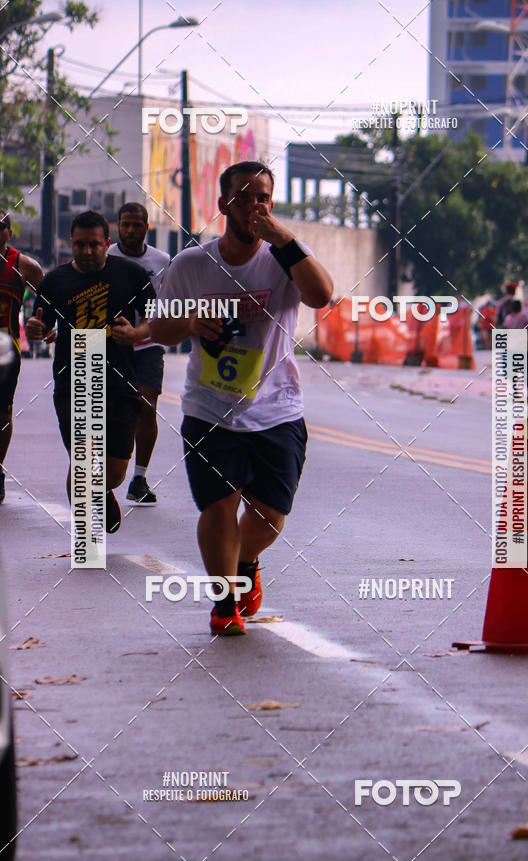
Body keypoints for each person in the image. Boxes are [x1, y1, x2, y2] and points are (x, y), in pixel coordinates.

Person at [149, 161, 333, 636]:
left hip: (277, 408)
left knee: (271, 514)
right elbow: (160, 328)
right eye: (244, 197)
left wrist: (284, 239)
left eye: (264, 198)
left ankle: (246, 561)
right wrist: (191, 323)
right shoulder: (191, 265)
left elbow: (322, 295)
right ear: (223, 204)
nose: (255, 206)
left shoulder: (285, 258)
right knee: (218, 505)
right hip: (209, 408)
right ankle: (224, 601)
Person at [25, 210, 155, 533]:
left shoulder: (132, 274)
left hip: (121, 382)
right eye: (79, 245)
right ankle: (87, 539)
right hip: (74, 380)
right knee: (84, 462)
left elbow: (156, 317)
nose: (86, 252)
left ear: (107, 243)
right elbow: (41, 325)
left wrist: (137, 334)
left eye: (94, 245)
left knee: (113, 473)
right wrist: (36, 331)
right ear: (71, 243)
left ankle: (104, 489)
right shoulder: (54, 281)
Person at [107, 202, 170, 504]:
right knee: (111, 407)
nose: (130, 230)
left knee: (147, 406)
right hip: (113, 343)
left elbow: (168, 301)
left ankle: (139, 478)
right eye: (125, 224)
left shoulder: (162, 260)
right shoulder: (106, 257)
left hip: (148, 343)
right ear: (117, 226)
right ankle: (104, 472)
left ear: (147, 227)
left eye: (137, 225)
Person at [0, 211, 44, 503]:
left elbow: (51, 298)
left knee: (2, 412)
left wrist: (45, 325)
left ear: (9, 232)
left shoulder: (24, 266)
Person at [504, 299, 528, 391]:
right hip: (523, 346)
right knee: (525, 370)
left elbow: (504, 328)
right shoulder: (525, 316)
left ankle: (515, 390)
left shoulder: (508, 318)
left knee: (513, 370)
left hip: (511, 347)